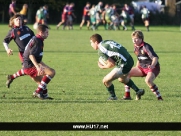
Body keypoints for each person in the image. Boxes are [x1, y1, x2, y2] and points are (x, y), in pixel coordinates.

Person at [90, 33, 145, 100]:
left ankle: (113, 97)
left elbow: (111, 64)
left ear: (96, 42)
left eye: (91, 43)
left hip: (123, 64)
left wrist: (103, 67)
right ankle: (138, 91)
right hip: (130, 60)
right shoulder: (107, 41)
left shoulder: (101, 50)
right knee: (122, 79)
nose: (91, 45)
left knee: (105, 81)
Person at [122, 30, 163, 100]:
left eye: (136, 38)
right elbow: (139, 58)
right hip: (142, 68)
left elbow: (155, 58)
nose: (134, 40)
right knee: (125, 74)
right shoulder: (135, 47)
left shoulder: (146, 47)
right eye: (133, 39)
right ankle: (127, 96)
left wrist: (152, 65)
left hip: (153, 67)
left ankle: (159, 98)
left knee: (148, 81)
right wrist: (136, 67)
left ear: (141, 38)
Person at [23, 24, 56, 100]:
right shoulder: (38, 41)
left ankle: (44, 95)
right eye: (47, 32)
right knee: (52, 72)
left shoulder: (37, 39)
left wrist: (45, 66)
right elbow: (31, 55)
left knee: (42, 81)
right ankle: (38, 91)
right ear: (41, 32)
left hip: (27, 65)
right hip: (29, 66)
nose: (48, 34)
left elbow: (37, 58)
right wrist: (37, 67)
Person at [3, 14, 35, 88]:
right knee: (30, 71)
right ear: (13, 21)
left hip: (33, 53)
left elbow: (34, 37)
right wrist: (7, 49)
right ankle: (41, 89)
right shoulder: (13, 31)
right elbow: (5, 41)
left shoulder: (26, 28)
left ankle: (12, 77)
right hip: (24, 54)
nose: (19, 21)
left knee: (31, 71)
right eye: (17, 19)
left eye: (20, 19)